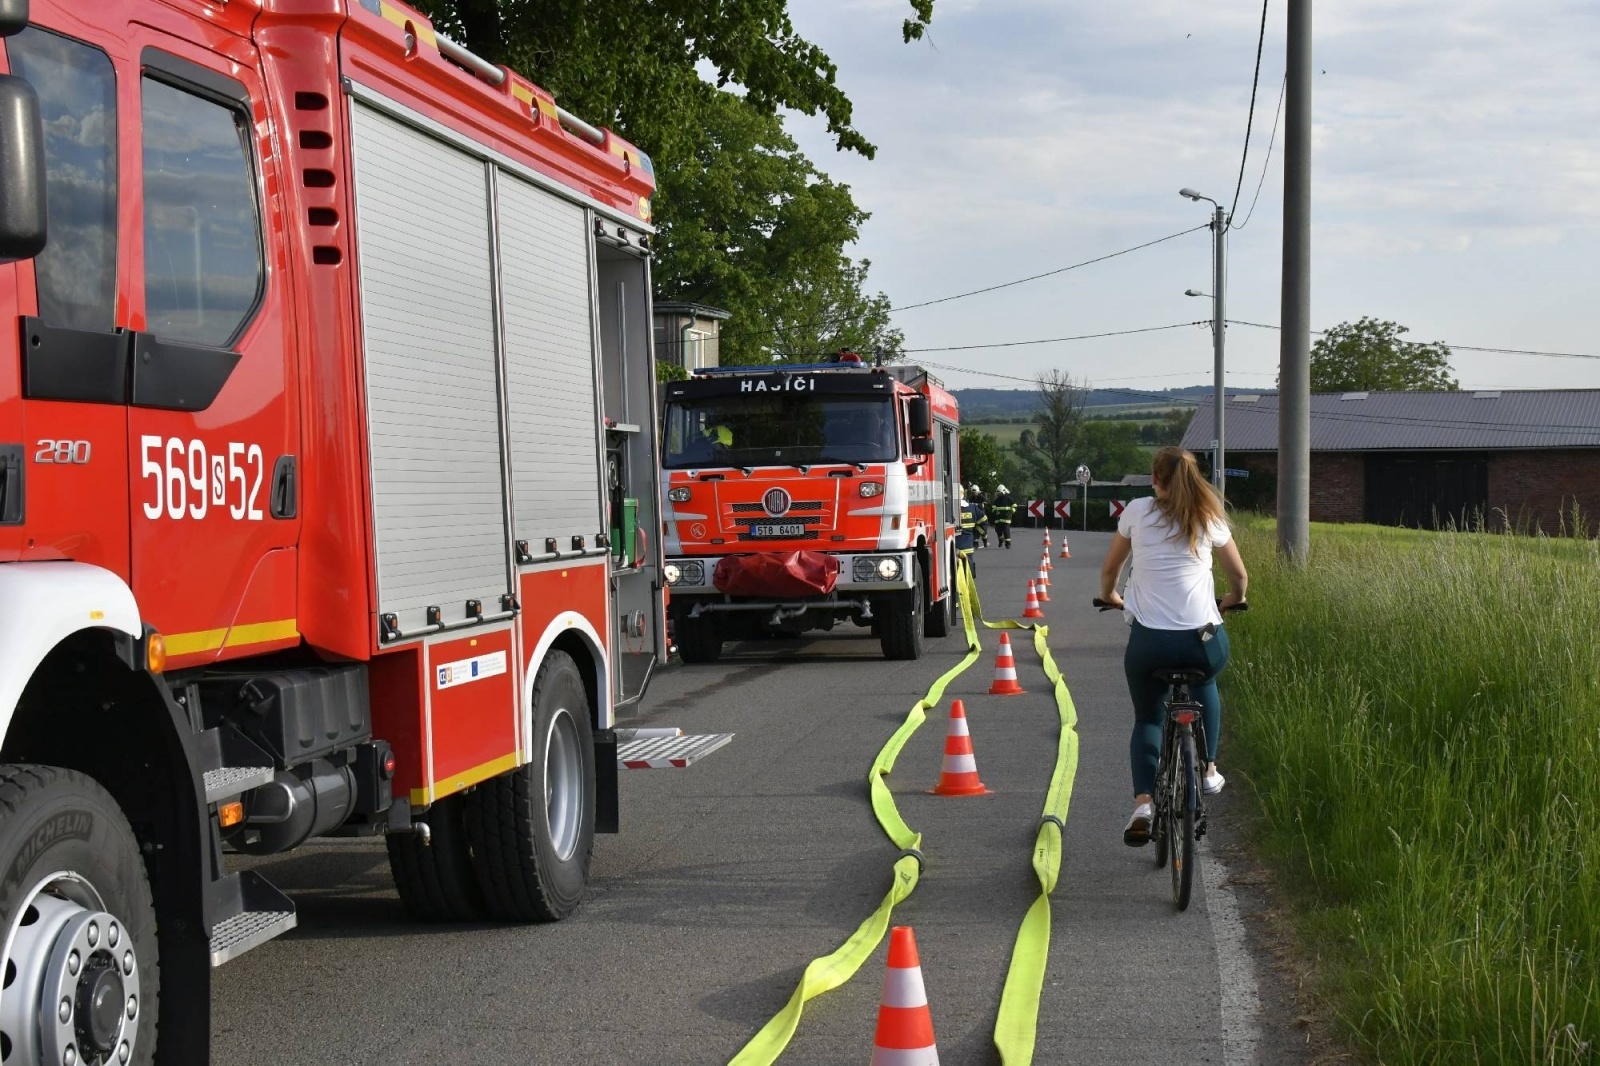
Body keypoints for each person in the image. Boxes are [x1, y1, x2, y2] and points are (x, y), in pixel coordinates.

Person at [1097, 447, 1248, 848]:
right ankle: (1209, 769)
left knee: (1148, 718)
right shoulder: (1209, 514)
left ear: (1155, 479)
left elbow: (1111, 569)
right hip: (1201, 640)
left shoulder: (1137, 511)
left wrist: (1110, 596)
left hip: (1150, 643)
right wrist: (1232, 600)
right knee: (1206, 682)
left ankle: (1144, 805)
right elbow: (1239, 576)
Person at [956, 488, 978, 571]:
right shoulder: (972, 508)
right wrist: (975, 536)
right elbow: (983, 521)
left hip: (952, 546)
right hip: (967, 544)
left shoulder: (944, 509)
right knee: (969, 568)